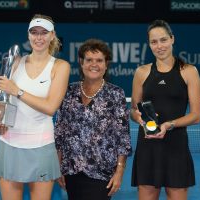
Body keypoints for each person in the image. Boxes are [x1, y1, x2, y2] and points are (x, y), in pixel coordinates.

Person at [0, 14, 70, 200]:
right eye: (34, 32)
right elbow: (1, 98)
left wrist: (17, 91)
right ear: (28, 36)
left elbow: (51, 107)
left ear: (52, 35)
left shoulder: (60, 66)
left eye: (44, 33)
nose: (38, 37)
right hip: (9, 143)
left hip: (41, 146)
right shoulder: (15, 62)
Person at [131, 19, 200, 200]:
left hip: (176, 147)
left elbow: (196, 116)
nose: (159, 46)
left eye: (163, 40)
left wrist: (169, 124)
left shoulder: (189, 71)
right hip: (147, 147)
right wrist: (137, 117)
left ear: (172, 39)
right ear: (149, 44)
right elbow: (133, 110)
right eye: (154, 42)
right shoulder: (141, 72)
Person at [54, 38, 132, 200]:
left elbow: (123, 138)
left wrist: (119, 171)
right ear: (81, 62)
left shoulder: (116, 94)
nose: (94, 64)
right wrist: (57, 166)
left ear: (106, 64)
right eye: (89, 60)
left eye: (99, 60)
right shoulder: (68, 91)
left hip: (101, 173)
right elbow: (60, 131)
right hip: (71, 170)